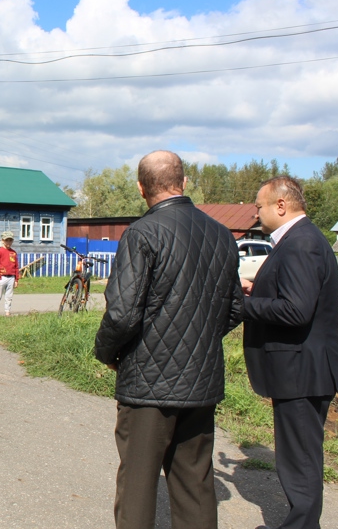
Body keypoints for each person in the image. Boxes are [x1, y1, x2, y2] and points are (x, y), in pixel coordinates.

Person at [94, 151, 243, 529]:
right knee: (195, 481)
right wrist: (201, 339)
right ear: (184, 182)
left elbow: (122, 312)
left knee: (138, 483)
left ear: (141, 187)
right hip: (201, 376)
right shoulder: (221, 234)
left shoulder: (142, 233)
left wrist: (108, 352)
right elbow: (235, 308)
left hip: (148, 381)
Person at [241, 176, 338, 529]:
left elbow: (296, 310)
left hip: (302, 371)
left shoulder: (301, 243)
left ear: (281, 205)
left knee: (299, 461)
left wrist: (245, 305)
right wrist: (257, 290)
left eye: (259, 205)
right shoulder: (302, 240)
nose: (256, 212)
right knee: (300, 457)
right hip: (303, 368)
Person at [0, 231, 18, 317]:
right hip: (2, 277)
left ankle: (7, 312)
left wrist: (16, 279)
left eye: (10, 240)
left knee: (9, 297)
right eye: (7, 240)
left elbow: (16, 266)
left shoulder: (13, 252)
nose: (8, 242)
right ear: (3, 240)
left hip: (11, 277)